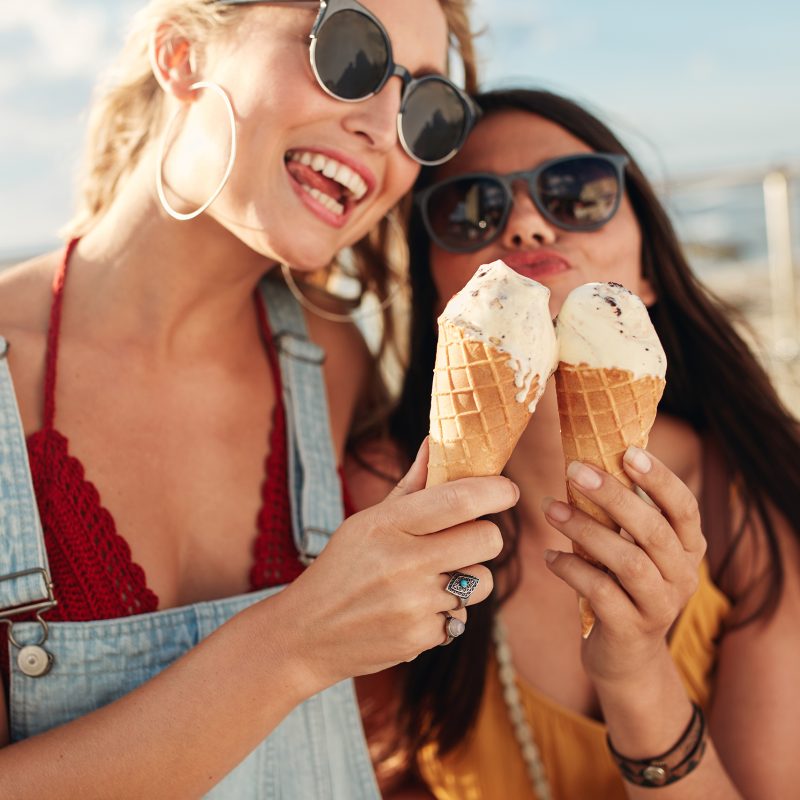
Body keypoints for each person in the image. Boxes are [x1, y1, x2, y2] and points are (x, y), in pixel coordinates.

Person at [0, 2, 524, 797]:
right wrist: (291, 647)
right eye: (351, 54)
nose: (384, 130)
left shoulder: (331, 366)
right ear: (179, 55)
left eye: (426, 109)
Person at [349, 89, 800, 799]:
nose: (526, 223)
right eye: (470, 209)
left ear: (648, 270)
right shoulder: (380, 496)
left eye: (578, 193)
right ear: (436, 292)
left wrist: (635, 670)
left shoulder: (751, 494)